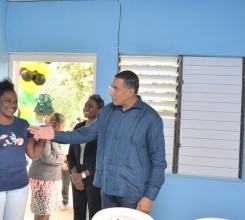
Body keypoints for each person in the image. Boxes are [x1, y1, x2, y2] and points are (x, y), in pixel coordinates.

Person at [28, 70, 167, 214]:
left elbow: (158, 161)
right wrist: (54, 135)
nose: (110, 93)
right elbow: (86, 133)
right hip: (106, 189)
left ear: (130, 91)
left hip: (133, 193)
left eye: (115, 89)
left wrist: (149, 196)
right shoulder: (108, 111)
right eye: (111, 88)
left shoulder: (151, 118)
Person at [0, 78, 46, 220]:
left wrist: (44, 136)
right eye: (8, 100)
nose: (13, 105)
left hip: (19, 186)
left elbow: (33, 154)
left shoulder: (23, 125)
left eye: (15, 101)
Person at [68, 94, 104, 220]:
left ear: (99, 110)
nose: (86, 108)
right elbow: (70, 154)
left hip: (93, 179)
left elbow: (102, 159)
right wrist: (75, 176)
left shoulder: (101, 130)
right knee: (78, 215)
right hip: (76, 179)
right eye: (85, 105)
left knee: (95, 215)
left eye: (90, 106)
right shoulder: (78, 127)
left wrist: (83, 175)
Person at [28, 112, 67, 220]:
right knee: (42, 211)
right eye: (63, 126)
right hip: (42, 178)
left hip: (50, 178)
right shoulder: (45, 136)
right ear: (56, 125)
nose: (63, 129)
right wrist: (63, 158)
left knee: (48, 209)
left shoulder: (54, 136)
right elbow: (46, 157)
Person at [60, 117, 81, 211]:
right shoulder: (66, 136)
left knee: (77, 183)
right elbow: (62, 152)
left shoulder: (80, 138)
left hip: (75, 165)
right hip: (66, 163)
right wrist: (63, 162)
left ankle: (77, 204)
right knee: (65, 184)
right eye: (73, 126)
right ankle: (65, 201)